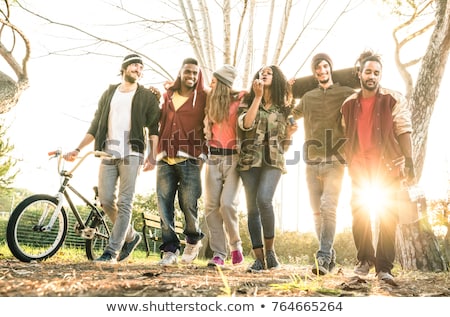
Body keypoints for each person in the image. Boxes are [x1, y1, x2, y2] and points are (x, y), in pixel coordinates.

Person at [64, 53, 161, 263]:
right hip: (107, 153)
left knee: (125, 203)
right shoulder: (109, 93)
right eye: (135, 65)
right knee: (106, 200)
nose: (139, 69)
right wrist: (78, 149)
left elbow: (154, 128)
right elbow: (95, 124)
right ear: (124, 68)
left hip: (132, 154)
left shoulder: (147, 96)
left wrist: (152, 155)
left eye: (141, 67)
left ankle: (111, 251)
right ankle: (131, 236)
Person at [341, 50, 415, 285]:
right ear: (359, 73)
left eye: (376, 73)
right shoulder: (348, 104)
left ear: (380, 75)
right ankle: (364, 260)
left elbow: (404, 129)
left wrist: (409, 161)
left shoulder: (393, 98)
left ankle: (384, 268)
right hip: (360, 168)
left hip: (388, 166)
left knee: (387, 216)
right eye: (368, 72)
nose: (372, 76)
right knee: (359, 213)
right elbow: (346, 134)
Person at [291, 53, 355, 275]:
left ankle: (323, 256)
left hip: (335, 160)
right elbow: (290, 115)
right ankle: (329, 256)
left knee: (329, 207)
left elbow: (362, 100)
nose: (322, 71)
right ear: (314, 73)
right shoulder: (307, 97)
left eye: (325, 66)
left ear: (330, 68)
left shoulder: (345, 93)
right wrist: (289, 97)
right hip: (311, 160)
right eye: (317, 68)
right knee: (317, 212)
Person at [237, 65, 297, 272]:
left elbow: (286, 146)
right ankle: (259, 259)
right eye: (261, 72)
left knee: (264, 200)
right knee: (252, 209)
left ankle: (271, 252)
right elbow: (246, 124)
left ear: (277, 78)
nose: (264, 73)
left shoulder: (285, 108)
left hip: (274, 161)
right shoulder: (247, 101)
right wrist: (257, 97)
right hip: (249, 161)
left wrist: (290, 133)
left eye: (269, 72)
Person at [156, 57, 208, 266]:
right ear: (180, 72)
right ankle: (170, 250)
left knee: (188, 203)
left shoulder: (204, 97)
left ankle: (193, 239)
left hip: (191, 157)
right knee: (164, 204)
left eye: (195, 73)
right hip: (165, 157)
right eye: (188, 72)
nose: (191, 76)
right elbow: (160, 119)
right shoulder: (168, 95)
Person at [203, 65, 246, 267]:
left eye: (214, 80)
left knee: (227, 204)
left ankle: (235, 245)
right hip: (213, 158)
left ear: (223, 83)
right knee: (211, 207)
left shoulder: (240, 99)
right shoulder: (211, 102)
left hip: (234, 158)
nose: (210, 83)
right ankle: (219, 253)